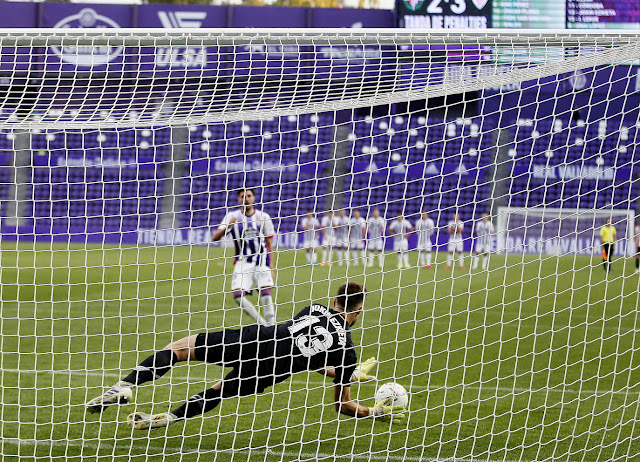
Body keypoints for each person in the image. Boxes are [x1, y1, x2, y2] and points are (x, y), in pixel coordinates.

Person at [85, 282, 406, 429]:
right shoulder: (348, 351)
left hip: (257, 340)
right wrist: (356, 389)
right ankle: (168, 418)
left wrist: (341, 371)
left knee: (180, 349)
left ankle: (126, 387)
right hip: (269, 372)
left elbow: (301, 343)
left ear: (336, 301)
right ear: (359, 310)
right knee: (218, 391)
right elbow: (341, 405)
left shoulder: (314, 308)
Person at [211, 188, 276, 326]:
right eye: (243, 196)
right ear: (239, 200)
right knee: (238, 296)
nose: (246, 198)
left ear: (253, 198)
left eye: (249, 195)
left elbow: (269, 243)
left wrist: (271, 266)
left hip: (261, 260)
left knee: (265, 292)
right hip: (242, 261)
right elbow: (215, 238)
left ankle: (272, 326)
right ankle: (263, 324)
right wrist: (228, 226)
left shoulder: (263, 217)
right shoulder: (232, 216)